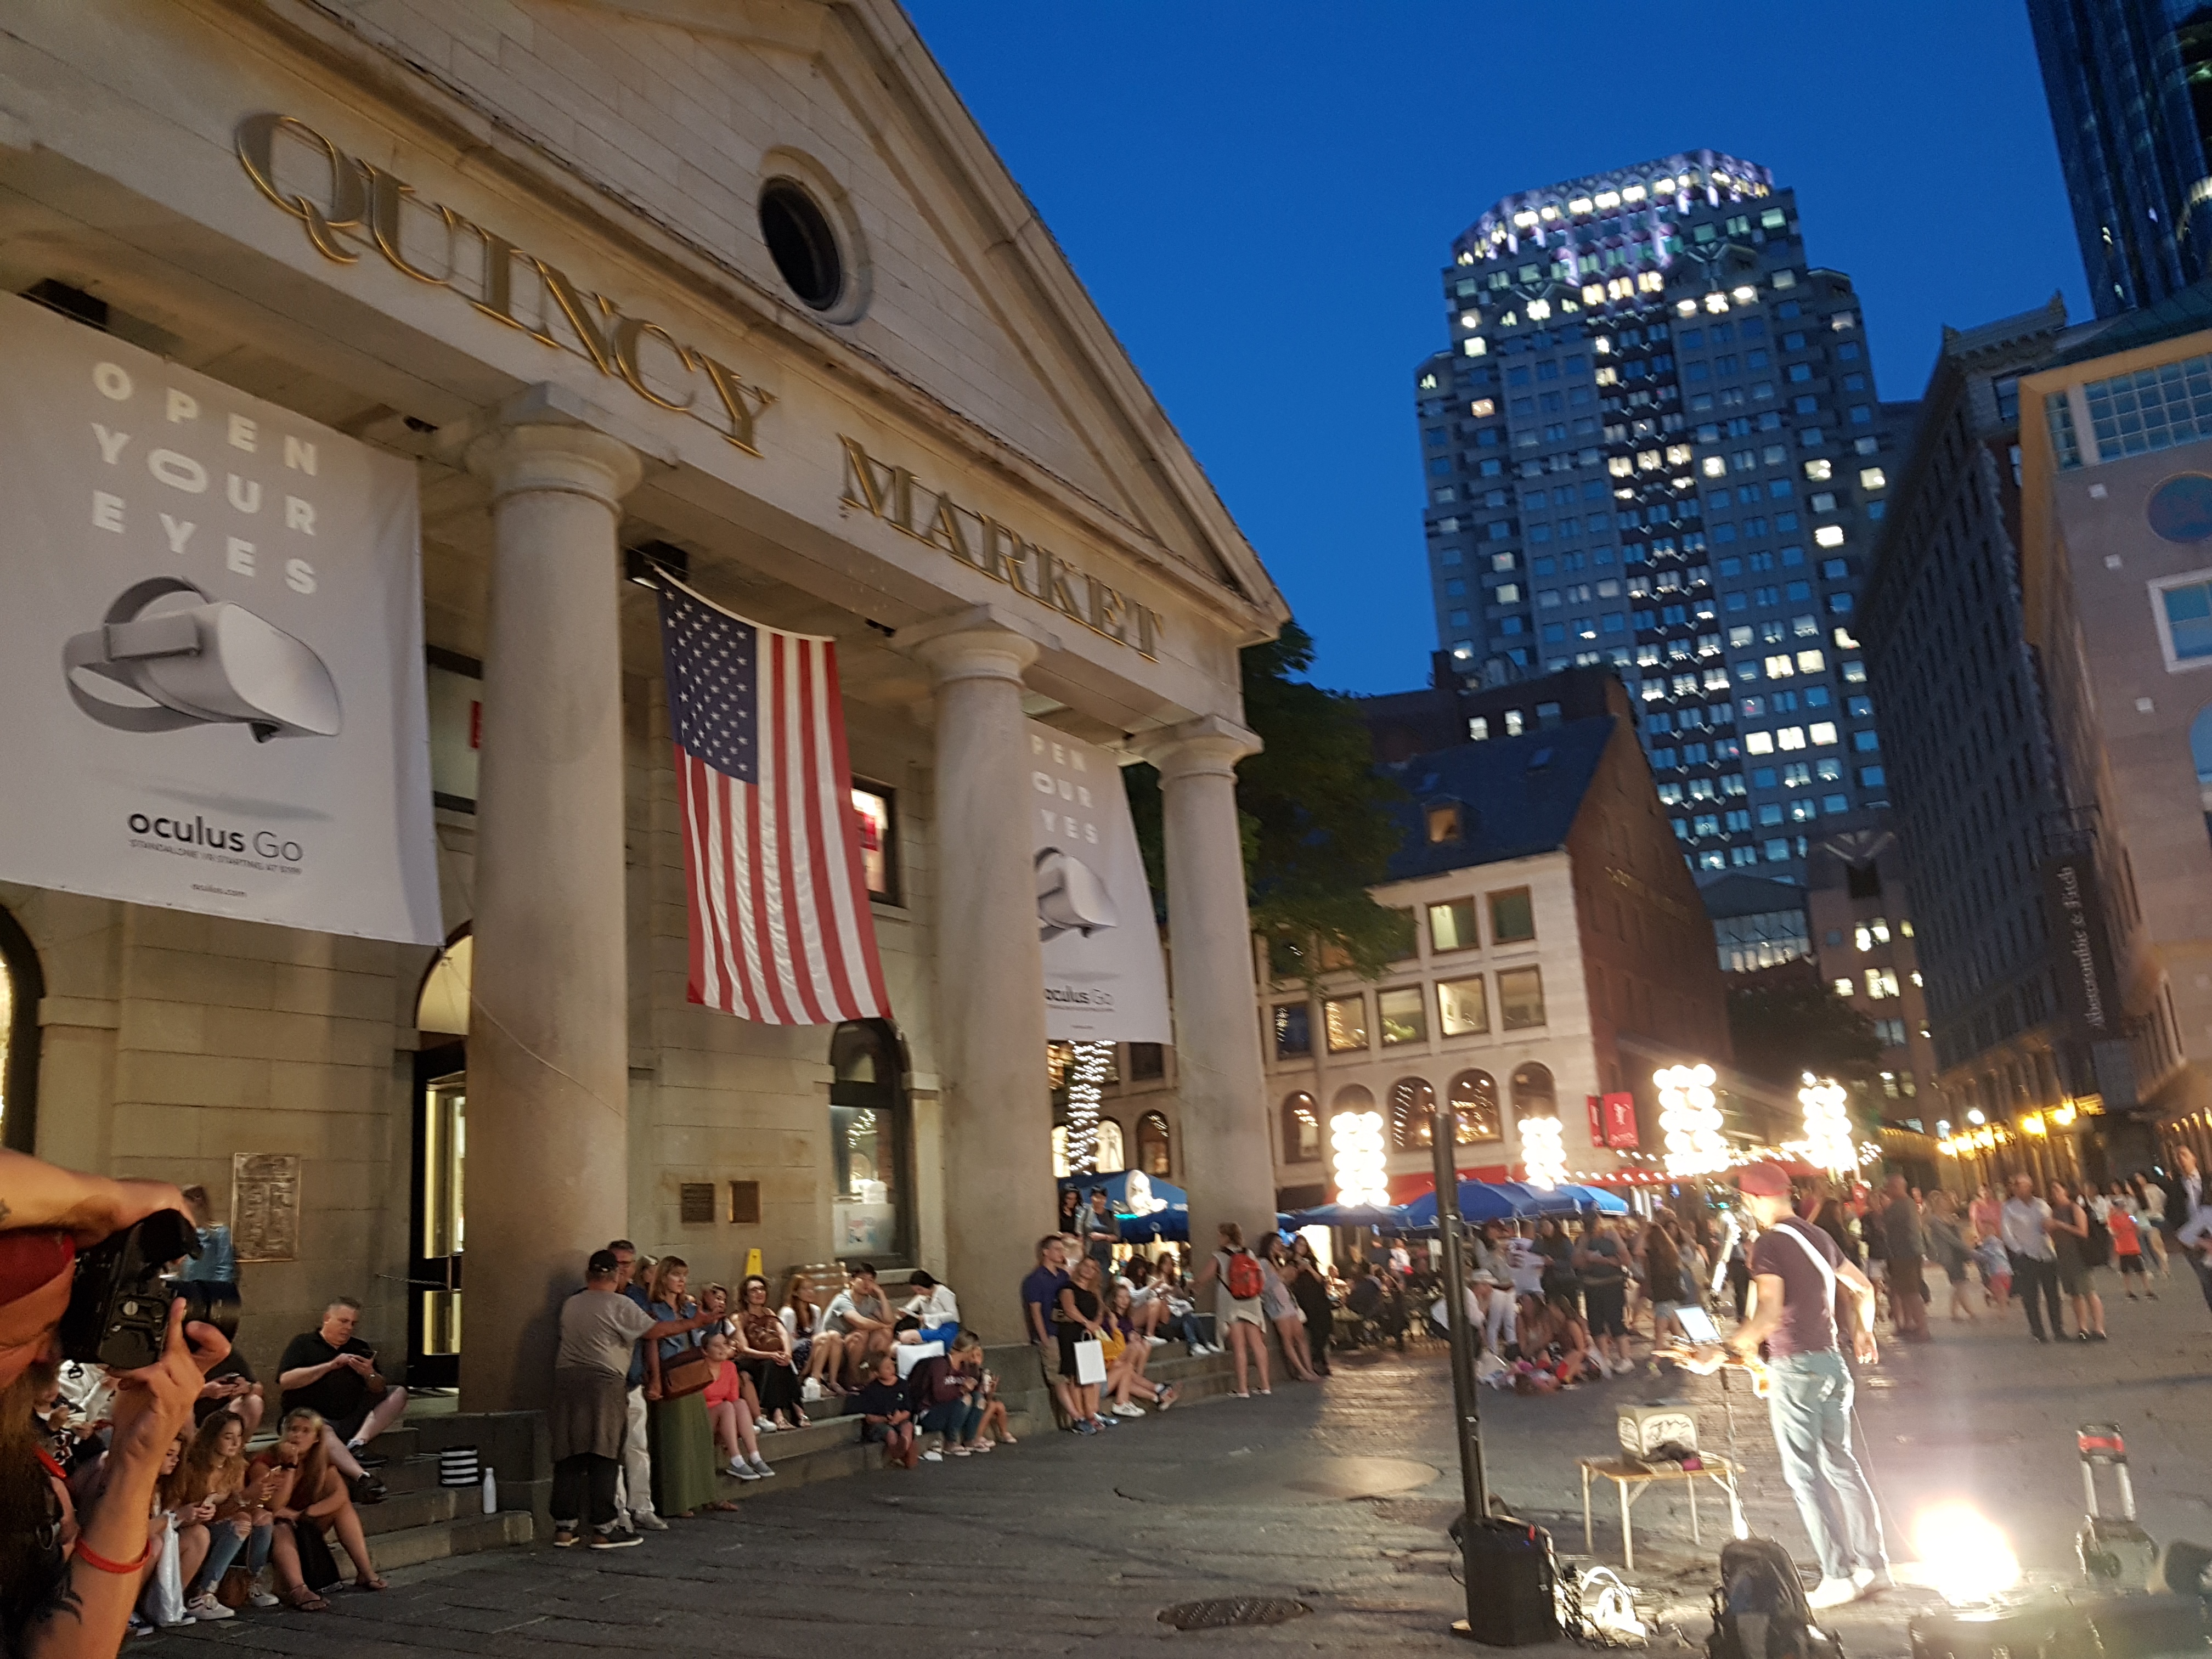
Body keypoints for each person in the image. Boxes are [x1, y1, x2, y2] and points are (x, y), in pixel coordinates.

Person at [0, 1153, 233, 1659]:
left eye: (52, 1330)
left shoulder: (25, 1476)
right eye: (11, 1341)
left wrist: (135, 1465)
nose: (48, 1356)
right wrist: (109, 1201)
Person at [1690, 1161, 1884, 1610]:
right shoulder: (1818, 1237)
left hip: (1795, 1366)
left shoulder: (1769, 1245)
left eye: (1745, 1201)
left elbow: (1769, 1314)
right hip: (1832, 1363)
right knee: (1842, 1464)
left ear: (1755, 1199)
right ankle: (1873, 1567)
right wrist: (1863, 1330)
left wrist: (1723, 1349)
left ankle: (1837, 1574)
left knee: (1803, 1475)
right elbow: (1864, 1288)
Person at [548, 1249, 714, 1550]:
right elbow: (655, 1331)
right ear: (615, 1276)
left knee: (569, 1452)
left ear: (588, 1276)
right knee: (604, 1452)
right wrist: (695, 1323)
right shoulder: (620, 1304)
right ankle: (604, 1527)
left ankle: (564, 1527)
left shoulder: (571, 1303)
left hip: (566, 1381)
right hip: (604, 1381)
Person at [276, 1297, 404, 1504]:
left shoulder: (359, 1347)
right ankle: (363, 1477)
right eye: (343, 1321)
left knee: (398, 1393)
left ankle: (357, 1443)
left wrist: (369, 1374)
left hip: (349, 1416)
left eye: (353, 1324)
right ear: (327, 1319)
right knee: (321, 1428)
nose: (348, 1328)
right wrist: (330, 1366)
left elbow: (378, 1388)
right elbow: (285, 1381)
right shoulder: (303, 1343)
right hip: (310, 1418)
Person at [253, 1407, 386, 1605]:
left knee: (343, 1509)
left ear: (316, 1438)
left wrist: (302, 1514)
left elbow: (340, 1496)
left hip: (299, 1519)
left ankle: (366, 1572)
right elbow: (273, 1505)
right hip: (271, 1524)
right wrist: (290, 1467)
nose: (297, 1435)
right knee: (281, 1527)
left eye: (305, 1431)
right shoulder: (265, 1461)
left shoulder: (320, 1461)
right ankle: (298, 1590)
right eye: (293, 1429)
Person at [642, 1256, 724, 1518]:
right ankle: (677, 1500)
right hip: (670, 1373)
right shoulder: (653, 1307)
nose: (681, 1281)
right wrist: (655, 1379)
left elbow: (709, 1332)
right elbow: (652, 1342)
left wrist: (712, 1313)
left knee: (698, 1436)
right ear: (663, 1277)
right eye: (676, 1275)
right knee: (674, 1439)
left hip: (692, 1372)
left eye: (684, 1276)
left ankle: (704, 1495)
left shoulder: (688, 1308)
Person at [177, 1409, 275, 1620]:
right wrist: (243, 1498)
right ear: (212, 1438)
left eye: (239, 1437)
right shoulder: (193, 1467)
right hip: (195, 1527)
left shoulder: (236, 1466)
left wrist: (253, 1498)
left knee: (263, 1518)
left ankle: (251, 1582)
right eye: (228, 1437)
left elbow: (235, 1506)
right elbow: (184, 1503)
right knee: (241, 1523)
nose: (235, 1443)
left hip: (221, 1525)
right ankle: (204, 1594)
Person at [1194, 1222, 1270, 1398]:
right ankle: (1265, 1385)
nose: (1218, 1238)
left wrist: (1193, 1285)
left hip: (1232, 1303)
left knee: (1239, 1347)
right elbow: (1262, 1278)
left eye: (1220, 1235)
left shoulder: (1219, 1256)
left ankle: (1243, 1389)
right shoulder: (1249, 1253)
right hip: (1252, 1302)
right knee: (1258, 1344)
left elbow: (1203, 1278)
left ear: (1226, 1237)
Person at [1020, 1234, 1083, 1425]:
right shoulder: (1035, 1279)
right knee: (1058, 1376)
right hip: (1050, 1332)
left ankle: (1082, 1412)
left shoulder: (1063, 1276)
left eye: (1062, 1249)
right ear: (1045, 1253)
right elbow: (1036, 1311)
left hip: (1066, 1332)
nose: (1061, 1253)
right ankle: (1076, 1416)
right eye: (1057, 1249)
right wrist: (1043, 1337)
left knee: (1071, 1374)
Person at [731, 1274, 807, 1429]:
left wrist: (787, 1354)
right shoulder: (738, 1318)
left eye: (762, 1289)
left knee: (779, 1363)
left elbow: (783, 1333)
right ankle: (785, 1413)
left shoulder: (769, 1313)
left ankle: (788, 1411)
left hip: (772, 1358)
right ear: (745, 1296)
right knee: (773, 1363)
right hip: (750, 1360)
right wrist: (771, 1355)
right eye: (754, 1290)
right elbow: (745, 1349)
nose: (760, 1293)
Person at [698, 1331, 773, 1483]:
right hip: (704, 1416)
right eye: (716, 1346)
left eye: (725, 1344)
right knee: (726, 1407)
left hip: (725, 1416)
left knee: (740, 1403)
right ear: (705, 1351)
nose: (722, 1349)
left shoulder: (730, 1367)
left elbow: (733, 1398)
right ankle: (736, 1460)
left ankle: (755, 1457)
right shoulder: (699, 1369)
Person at [2001, 1173, 2066, 1341]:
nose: (2022, 1189)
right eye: (2018, 1186)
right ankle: (2038, 1331)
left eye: (2025, 1186)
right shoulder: (2009, 1208)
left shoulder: (2041, 1204)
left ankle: (2058, 1330)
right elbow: (2007, 1234)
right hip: (2027, 1255)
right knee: (2031, 1296)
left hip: (2046, 1254)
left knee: (2053, 1295)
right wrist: (2019, 1251)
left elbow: (2051, 1223)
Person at [906, 1331, 988, 1458]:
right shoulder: (940, 1364)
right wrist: (961, 1390)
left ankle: (970, 1438)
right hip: (931, 1413)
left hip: (952, 1411)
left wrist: (981, 1387)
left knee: (979, 1399)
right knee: (964, 1399)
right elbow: (938, 1394)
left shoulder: (965, 1368)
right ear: (968, 1350)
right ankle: (951, 1442)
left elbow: (975, 1394)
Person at [2048, 1180, 2109, 1340]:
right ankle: (2082, 1328)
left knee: (2089, 1291)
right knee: (2075, 1294)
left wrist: (2061, 1225)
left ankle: (2099, 1328)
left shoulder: (2074, 1208)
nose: (2054, 1193)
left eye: (2057, 1189)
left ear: (2066, 1190)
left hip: (2079, 1255)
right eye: (2052, 1190)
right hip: (2063, 1255)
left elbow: (2083, 1232)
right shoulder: (2054, 1211)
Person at [1056, 1256, 1111, 1433]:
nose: (1088, 1270)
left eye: (1093, 1267)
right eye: (1086, 1265)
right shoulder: (1068, 1288)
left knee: (1089, 1376)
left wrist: (1096, 1324)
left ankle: (1091, 1413)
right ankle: (1080, 1415)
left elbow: (1101, 1310)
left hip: (1089, 1334)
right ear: (1079, 1267)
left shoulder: (1094, 1292)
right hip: (1072, 1332)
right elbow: (1069, 1309)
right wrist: (1087, 1323)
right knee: (1075, 1376)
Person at [819, 1264, 895, 1389]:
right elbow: (859, 1322)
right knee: (862, 1334)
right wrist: (882, 1326)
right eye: (863, 1279)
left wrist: (881, 1293)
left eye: (871, 1280)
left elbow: (888, 1320)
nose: (867, 1283)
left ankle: (874, 1373)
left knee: (885, 1334)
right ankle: (852, 1375)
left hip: (855, 1349)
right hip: (835, 1348)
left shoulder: (868, 1301)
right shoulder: (842, 1299)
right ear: (852, 1281)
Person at [1574, 1218, 1632, 1375]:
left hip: (1612, 1284)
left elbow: (1626, 1259)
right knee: (1596, 1322)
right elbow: (1577, 1263)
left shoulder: (1612, 1236)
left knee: (1615, 1320)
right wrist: (1584, 1248)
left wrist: (1604, 1259)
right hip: (1592, 1285)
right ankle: (1604, 1358)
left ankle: (1625, 1358)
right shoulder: (1583, 1240)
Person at [1258, 1240, 1319, 1383]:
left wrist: (1290, 1273)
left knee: (1301, 1337)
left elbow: (1285, 1282)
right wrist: (1280, 1275)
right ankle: (1302, 1371)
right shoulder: (1262, 1262)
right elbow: (1263, 1287)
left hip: (1289, 1302)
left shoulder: (1279, 1262)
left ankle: (1309, 1369)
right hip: (1276, 1305)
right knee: (1288, 1339)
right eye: (1276, 1243)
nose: (1280, 1246)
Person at [1879, 1176, 1931, 1342]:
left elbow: (1886, 1224)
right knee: (1905, 1291)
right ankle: (1911, 1325)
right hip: (1909, 1253)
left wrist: (1885, 1209)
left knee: (1911, 1292)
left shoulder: (1899, 1206)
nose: (1887, 1191)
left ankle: (1922, 1328)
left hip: (1905, 1254)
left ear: (1896, 1187)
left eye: (1889, 1187)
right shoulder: (1908, 1204)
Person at [853, 1355, 917, 1469]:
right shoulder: (872, 1389)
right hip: (880, 1422)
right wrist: (886, 1419)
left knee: (908, 1426)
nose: (891, 1369)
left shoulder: (902, 1384)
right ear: (877, 1373)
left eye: (892, 1366)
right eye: (886, 1368)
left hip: (899, 1419)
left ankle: (904, 1445)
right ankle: (898, 1451)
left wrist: (899, 1417)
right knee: (890, 1433)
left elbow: (907, 1410)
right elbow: (869, 1418)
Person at [1924, 1189, 1977, 1323]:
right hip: (1948, 1255)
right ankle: (1971, 1312)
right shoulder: (1935, 1221)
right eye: (1943, 1202)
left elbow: (1957, 1236)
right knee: (1960, 1283)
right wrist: (1969, 1250)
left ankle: (1954, 1313)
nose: (1946, 1204)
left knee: (1958, 1283)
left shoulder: (1950, 1217)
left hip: (1957, 1254)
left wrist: (1966, 1251)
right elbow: (1949, 1238)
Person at [174, 1186, 236, 1287]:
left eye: (184, 1203)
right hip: (185, 1291)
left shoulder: (219, 1233)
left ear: (197, 1202)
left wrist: (217, 1292)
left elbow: (224, 1267)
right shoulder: (183, 1231)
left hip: (207, 1292)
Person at [1286, 1254, 1335, 1376]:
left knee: (1327, 1327)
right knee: (1315, 1330)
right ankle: (1318, 1361)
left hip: (1319, 1299)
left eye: (1303, 1245)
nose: (1301, 1248)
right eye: (1299, 1244)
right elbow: (1289, 1279)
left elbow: (1321, 1281)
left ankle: (1318, 1359)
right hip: (1306, 1301)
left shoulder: (1311, 1263)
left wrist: (1309, 1268)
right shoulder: (1291, 1262)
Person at [900, 1270, 961, 1350]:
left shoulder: (942, 1292)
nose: (919, 1293)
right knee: (900, 1341)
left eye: (920, 1289)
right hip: (931, 1328)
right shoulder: (923, 1296)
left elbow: (954, 1316)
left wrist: (928, 1318)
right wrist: (904, 1312)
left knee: (906, 1337)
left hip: (946, 1328)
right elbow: (909, 1308)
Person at [2110, 1200, 2153, 1299]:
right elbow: (2113, 1232)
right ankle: (2129, 1291)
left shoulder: (2130, 1216)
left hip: (2133, 1247)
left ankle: (2148, 1290)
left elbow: (2138, 1226)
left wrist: (2134, 1231)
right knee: (2126, 1272)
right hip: (2123, 1248)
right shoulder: (2112, 1218)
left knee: (2141, 1270)